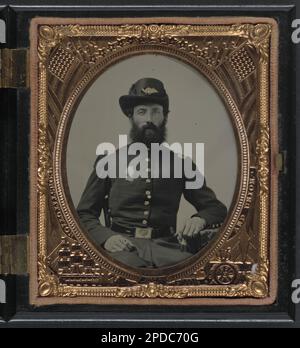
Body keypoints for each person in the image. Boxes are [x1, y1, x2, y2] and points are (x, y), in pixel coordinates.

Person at [77, 78, 227, 268]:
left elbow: (216, 209)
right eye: (142, 111)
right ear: (131, 116)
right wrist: (107, 238)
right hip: (122, 247)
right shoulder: (108, 161)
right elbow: (84, 214)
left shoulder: (181, 164)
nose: (149, 118)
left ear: (165, 116)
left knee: (192, 274)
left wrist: (200, 219)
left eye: (156, 111)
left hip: (167, 248)